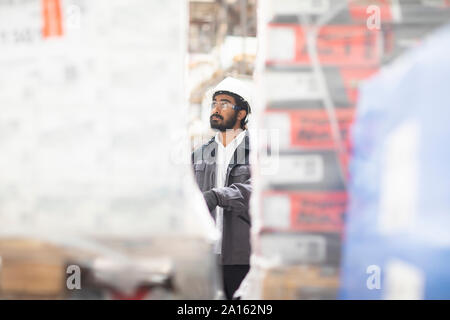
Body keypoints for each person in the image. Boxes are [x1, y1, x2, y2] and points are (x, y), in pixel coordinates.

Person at [192, 77, 252, 300]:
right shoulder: (199, 155)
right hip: (206, 256)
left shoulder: (257, 151)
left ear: (241, 113)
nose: (216, 109)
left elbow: (254, 190)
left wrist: (217, 196)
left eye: (224, 103)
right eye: (214, 103)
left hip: (240, 256)